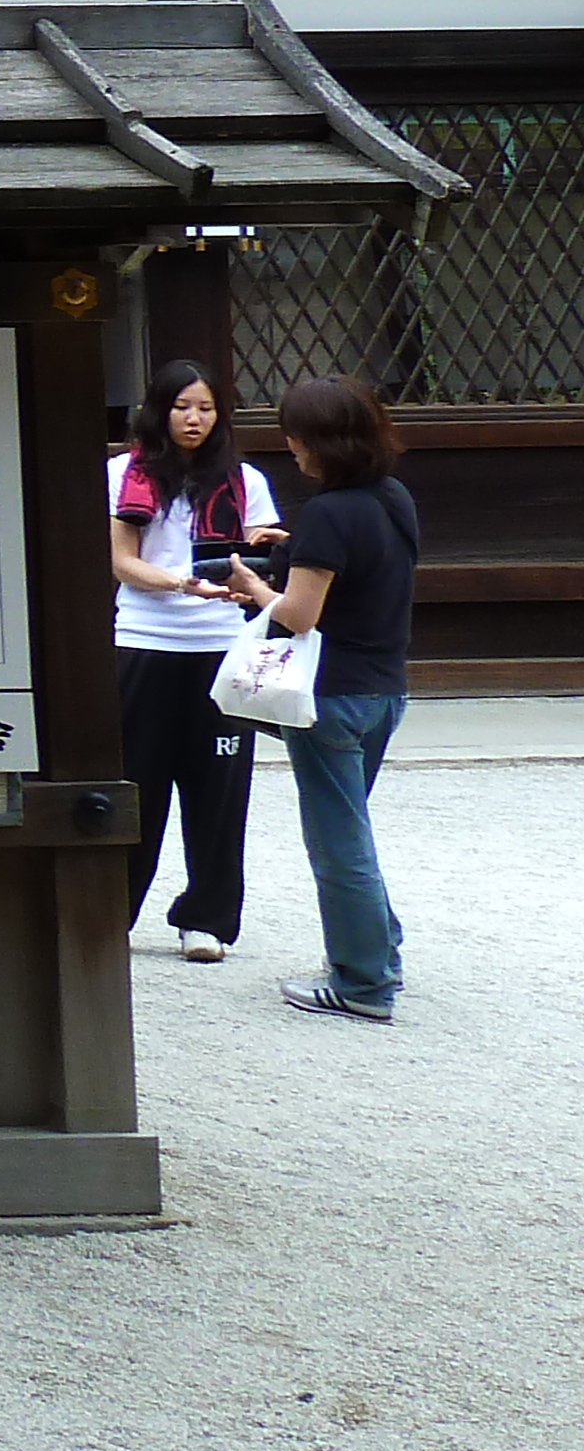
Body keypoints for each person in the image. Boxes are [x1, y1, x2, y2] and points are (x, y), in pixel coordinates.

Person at [215, 377, 421, 1024]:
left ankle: (362, 983)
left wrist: (253, 587)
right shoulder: (393, 497)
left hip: (329, 697)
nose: (291, 446)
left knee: (338, 841)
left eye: (295, 436)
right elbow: (359, 573)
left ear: (312, 442)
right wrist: (294, 551)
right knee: (351, 826)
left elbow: (300, 615)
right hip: (385, 689)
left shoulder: (330, 512)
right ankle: (380, 950)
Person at [107, 361, 280, 961]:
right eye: (182, 406)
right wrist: (182, 585)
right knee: (139, 783)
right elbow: (121, 561)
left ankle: (206, 918)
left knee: (219, 787)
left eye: (205, 408)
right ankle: (112, 913)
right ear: (158, 410)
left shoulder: (244, 480)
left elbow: (261, 558)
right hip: (145, 642)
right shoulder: (120, 474)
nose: (194, 418)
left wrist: (262, 559)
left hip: (221, 647)